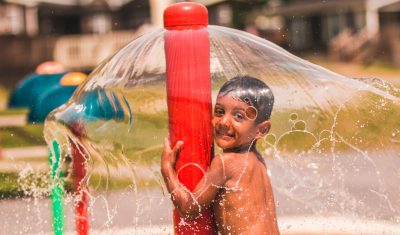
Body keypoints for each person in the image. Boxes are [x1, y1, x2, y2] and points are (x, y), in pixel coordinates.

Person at [161, 75, 279, 234]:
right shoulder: (258, 161)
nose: (223, 122)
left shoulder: (225, 163)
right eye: (219, 111)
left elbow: (189, 209)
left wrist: (168, 171)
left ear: (262, 130)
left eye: (238, 116)